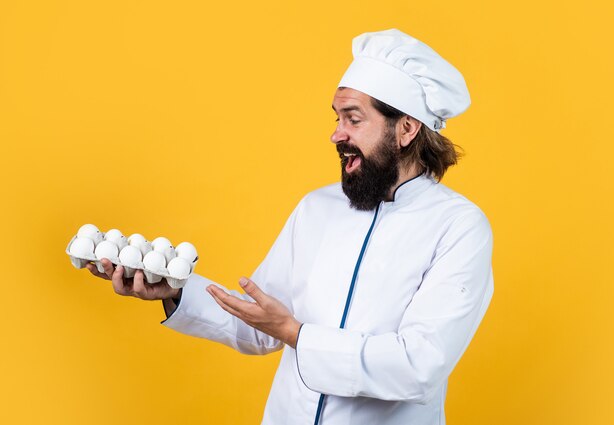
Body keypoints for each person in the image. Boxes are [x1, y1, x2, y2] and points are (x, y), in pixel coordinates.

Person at [87, 28, 494, 425]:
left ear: (406, 128)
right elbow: (264, 325)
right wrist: (175, 292)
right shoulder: (317, 208)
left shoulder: (458, 227)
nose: (337, 134)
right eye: (337, 118)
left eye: (353, 119)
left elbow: (417, 365)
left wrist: (296, 333)